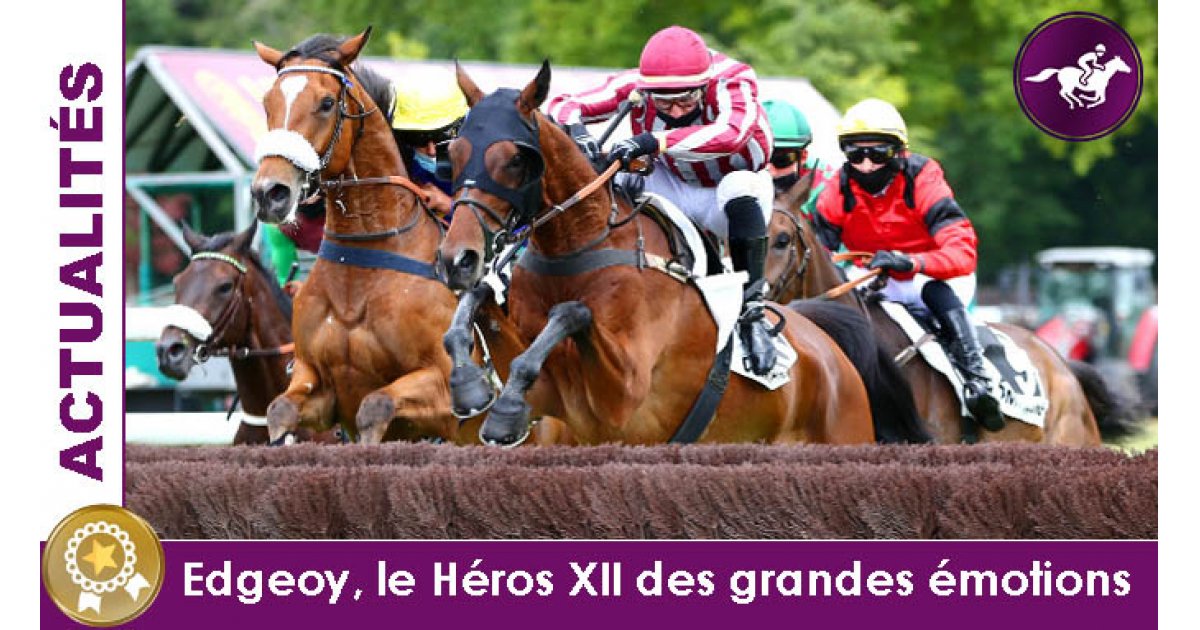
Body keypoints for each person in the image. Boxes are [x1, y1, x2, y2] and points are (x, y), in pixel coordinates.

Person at [547, 25, 779, 375]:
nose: (675, 110)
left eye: (685, 99)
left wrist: (655, 141)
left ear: (704, 84)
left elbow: (733, 133)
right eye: (664, 102)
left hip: (729, 190)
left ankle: (753, 312)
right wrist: (579, 133)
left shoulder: (734, 79)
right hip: (673, 180)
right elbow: (562, 105)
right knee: (611, 171)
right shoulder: (638, 84)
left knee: (739, 185)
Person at [812, 97, 1004, 431]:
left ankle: (977, 381)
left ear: (899, 152)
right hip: (874, 274)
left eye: (878, 154)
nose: (866, 165)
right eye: (856, 154)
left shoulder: (923, 180)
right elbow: (818, 253)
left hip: (935, 274)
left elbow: (963, 254)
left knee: (932, 290)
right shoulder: (838, 189)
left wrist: (912, 262)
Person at [391, 76, 468, 219]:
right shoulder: (399, 159)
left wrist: (450, 206)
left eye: (441, 138)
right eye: (418, 139)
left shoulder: (491, 160)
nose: (431, 151)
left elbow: (507, 227)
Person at [762, 99, 834, 217]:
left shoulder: (826, 188)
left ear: (803, 156)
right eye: (760, 159)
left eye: (781, 159)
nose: (768, 169)